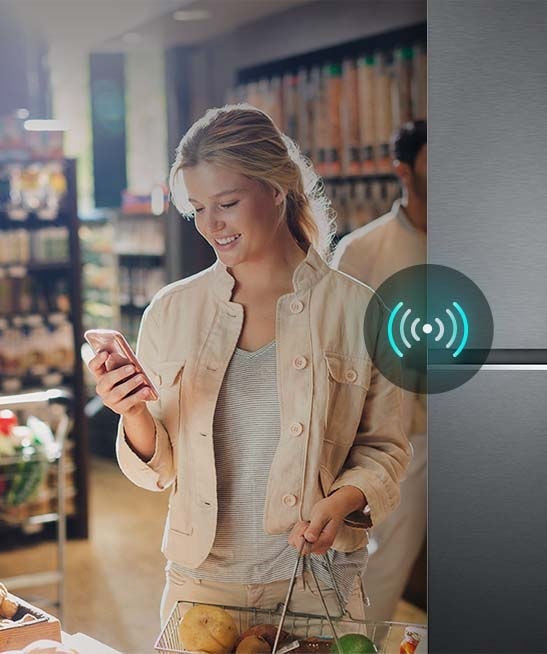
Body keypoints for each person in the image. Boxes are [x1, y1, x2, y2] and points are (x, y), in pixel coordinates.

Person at [86, 104, 410, 626]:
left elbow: (386, 450)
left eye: (227, 203)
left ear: (276, 188)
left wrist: (343, 499)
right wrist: (133, 414)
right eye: (197, 209)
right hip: (200, 585)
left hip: (317, 585)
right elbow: (160, 470)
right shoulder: (171, 311)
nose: (212, 225)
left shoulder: (359, 310)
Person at [331, 120, 427, 622]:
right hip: (404, 439)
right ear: (403, 171)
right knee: (385, 563)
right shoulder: (363, 250)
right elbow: (336, 346)